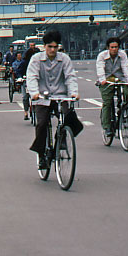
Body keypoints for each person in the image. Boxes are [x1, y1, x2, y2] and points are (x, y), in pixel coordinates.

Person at [26, 30, 79, 170]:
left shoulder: (64, 59)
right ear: (44, 46)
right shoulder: (36, 59)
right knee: (42, 123)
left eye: (55, 47)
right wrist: (34, 93)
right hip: (42, 98)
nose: (52, 50)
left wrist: (73, 93)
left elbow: (70, 77)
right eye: (50, 46)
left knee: (70, 118)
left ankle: (61, 138)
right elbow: (32, 77)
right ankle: (42, 154)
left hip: (60, 96)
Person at [96, 37, 128, 139]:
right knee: (107, 103)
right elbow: (100, 68)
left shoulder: (122, 55)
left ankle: (122, 110)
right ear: (108, 48)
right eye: (112, 47)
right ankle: (107, 127)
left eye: (116, 47)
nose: (114, 49)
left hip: (119, 78)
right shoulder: (102, 56)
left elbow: (125, 68)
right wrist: (102, 79)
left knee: (126, 93)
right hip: (107, 79)